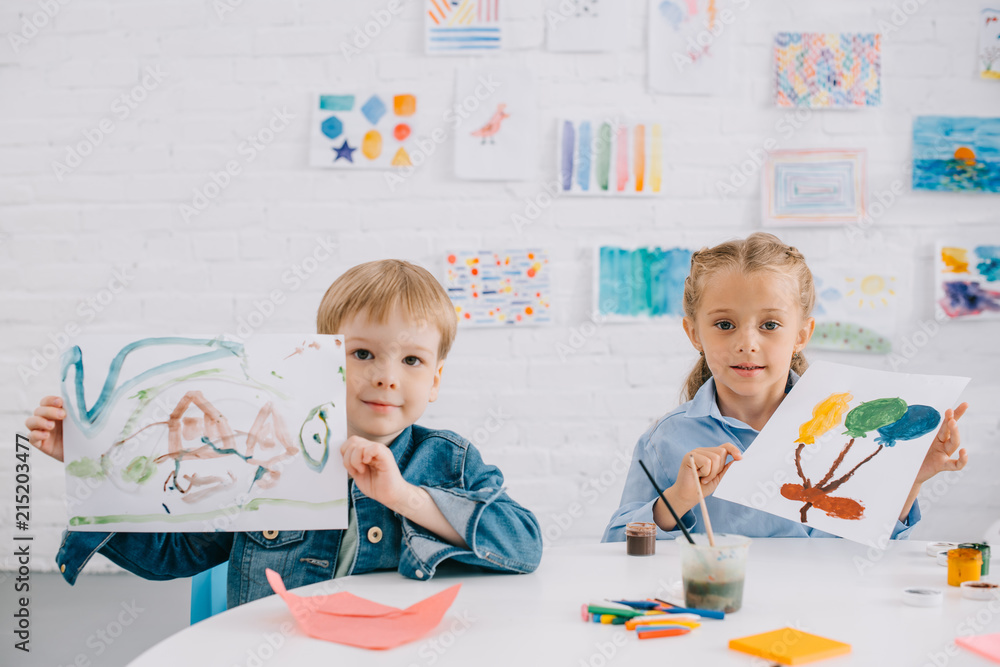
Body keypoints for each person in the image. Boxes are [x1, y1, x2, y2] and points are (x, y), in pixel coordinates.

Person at [27, 260, 542, 609]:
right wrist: (89, 462)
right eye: (363, 353)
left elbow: (522, 546)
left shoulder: (448, 460)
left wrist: (403, 496)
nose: (387, 376)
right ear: (323, 359)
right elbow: (171, 555)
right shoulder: (266, 457)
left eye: (411, 360)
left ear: (435, 381)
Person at [603, 233, 968, 542]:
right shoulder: (666, 440)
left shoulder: (846, 427)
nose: (747, 344)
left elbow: (872, 548)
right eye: (725, 325)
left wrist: (909, 480)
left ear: (802, 335)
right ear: (694, 333)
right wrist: (677, 500)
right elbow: (616, 548)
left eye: (770, 325)